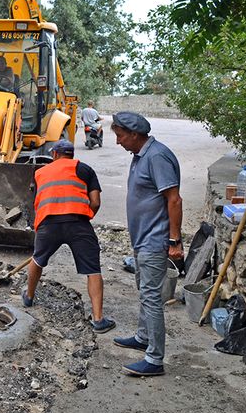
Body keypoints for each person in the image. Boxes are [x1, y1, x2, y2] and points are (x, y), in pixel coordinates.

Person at [110, 111, 183, 377]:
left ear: (134, 135)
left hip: (155, 239)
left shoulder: (157, 156)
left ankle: (154, 359)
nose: (118, 142)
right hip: (142, 238)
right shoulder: (140, 155)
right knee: (144, 290)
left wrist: (174, 241)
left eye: (120, 136)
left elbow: (174, 200)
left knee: (152, 297)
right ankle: (143, 337)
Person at [21, 140, 116, 333]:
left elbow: (38, 199)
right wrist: (86, 216)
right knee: (93, 269)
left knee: (38, 260)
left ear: (54, 155)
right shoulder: (85, 169)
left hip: (48, 224)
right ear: (71, 155)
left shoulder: (40, 172)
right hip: (78, 223)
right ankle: (98, 320)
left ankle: (29, 296)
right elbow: (95, 201)